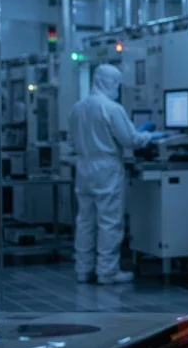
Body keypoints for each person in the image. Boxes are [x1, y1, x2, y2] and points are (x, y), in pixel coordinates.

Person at [69, 64, 160, 285]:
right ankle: (107, 272)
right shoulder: (111, 108)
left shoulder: (78, 108)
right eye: (117, 84)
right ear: (110, 83)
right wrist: (149, 135)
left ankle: (83, 269)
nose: (118, 89)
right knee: (109, 221)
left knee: (85, 221)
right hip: (106, 169)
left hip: (83, 167)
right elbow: (131, 140)